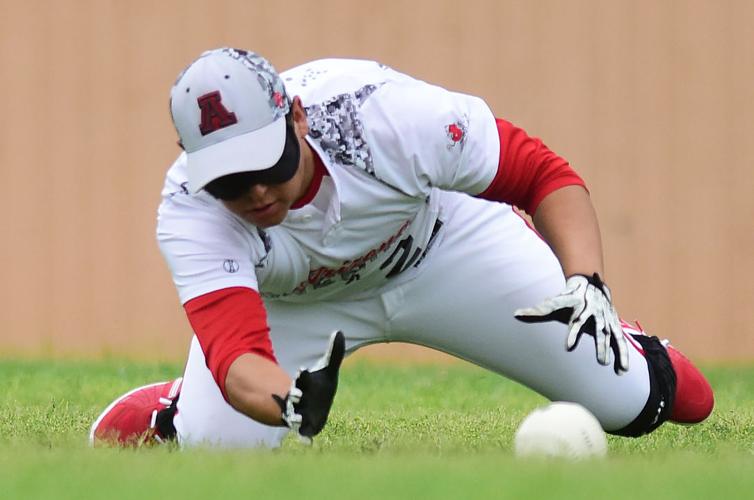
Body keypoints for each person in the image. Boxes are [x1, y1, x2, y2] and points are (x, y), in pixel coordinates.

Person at [89, 48, 713, 448]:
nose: (255, 191)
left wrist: (586, 281)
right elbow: (235, 355)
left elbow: (542, 175)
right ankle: (175, 414)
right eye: (228, 179)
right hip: (298, 310)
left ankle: (637, 351)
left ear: (298, 120)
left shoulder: (377, 114)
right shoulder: (191, 211)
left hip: (443, 249)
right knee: (215, 456)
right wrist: (289, 399)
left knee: (652, 403)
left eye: (265, 162)